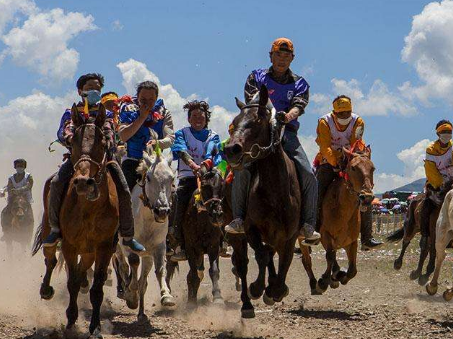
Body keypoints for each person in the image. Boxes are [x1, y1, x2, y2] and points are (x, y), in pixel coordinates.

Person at [224, 38, 320, 246]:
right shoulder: (256, 77)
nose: (282, 60)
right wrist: (270, 118)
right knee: (241, 170)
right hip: (259, 134)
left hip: (287, 133)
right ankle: (239, 218)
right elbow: (253, 103)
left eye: (287, 56)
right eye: (278, 55)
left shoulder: (300, 83)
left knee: (308, 174)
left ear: (292, 59)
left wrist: (287, 116)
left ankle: (308, 224)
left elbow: (299, 105)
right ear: (271, 56)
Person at [42, 73, 145, 253]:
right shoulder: (71, 112)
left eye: (97, 88)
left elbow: (110, 130)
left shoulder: (107, 114)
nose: (94, 91)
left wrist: (108, 138)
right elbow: (64, 131)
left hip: (104, 161)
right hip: (76, 160)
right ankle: (55, 229)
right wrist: (71, 137)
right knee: (56, 183)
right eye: (90, 88)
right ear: (80, 91)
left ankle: (127, 236)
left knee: (123, 189)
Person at [313, 95, 382, 250]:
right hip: (329, 161)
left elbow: (356, 142)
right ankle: (314, 229)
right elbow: (325, 146)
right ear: (334, 113)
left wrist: (351, 160)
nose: (344, 116)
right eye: (341, 113)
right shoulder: (324, 122)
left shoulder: (358, 121)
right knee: (318, 190)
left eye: (347, 112)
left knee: (366, 192)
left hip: (351, 158)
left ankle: (366, 236)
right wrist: (336, 161)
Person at [169, 100, 222, 262]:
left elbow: (213, 152)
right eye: (194, 116)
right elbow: (181, 150)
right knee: (179, 198)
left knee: (223, 195)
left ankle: (224, 238)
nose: (198, 119)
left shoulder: (213, 136)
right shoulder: (182, 133)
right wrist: (193, 165)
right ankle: (176, 240)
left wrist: (205, 165)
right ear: (189, 119)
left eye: (201, 116)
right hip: (188, 177)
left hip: (208, 176)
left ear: (206, 119)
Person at [118, 80, 175, 190]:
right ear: (137, 97)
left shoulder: (164, 113)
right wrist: (142, 117)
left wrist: (157, 143)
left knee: (170, 191)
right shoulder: (128, 109)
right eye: (143, 100)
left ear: (156, 98)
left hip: (155, 161)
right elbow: (123, 136)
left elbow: (170, 139)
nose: (147, 104)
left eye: (151, 100)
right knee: (123, 192)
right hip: (132, 160)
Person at [420, 120, 453, 241]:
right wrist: (441, 184)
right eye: (444, 131)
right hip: (436, 183)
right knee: (427, 205)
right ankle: (424, 234)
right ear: (438, 134)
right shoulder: (430, 150)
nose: (447, 134)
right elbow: (430, 170)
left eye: (449, 132)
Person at [0, 158, 34, 238]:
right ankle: (6, 231)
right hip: (13, 198)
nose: (20, 168)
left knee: (30, 216)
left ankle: (29, 233)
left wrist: (19, 190)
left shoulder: (29, 176)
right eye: (18, 166)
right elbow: (9, 186)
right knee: (4, 213)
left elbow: (29, 186)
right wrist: (3, 191)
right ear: (15, 167)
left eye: (22, 166)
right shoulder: (11, 178)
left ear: (24, 167)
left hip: (25, 198)